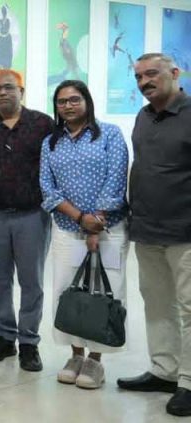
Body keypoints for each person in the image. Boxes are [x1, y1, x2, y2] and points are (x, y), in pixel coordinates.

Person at [39, 80, 129, 390]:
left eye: (74, 99)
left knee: (104, 291)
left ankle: (95, 360)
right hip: (67, 229)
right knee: (69, 290)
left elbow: (116, 178)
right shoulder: (51, 142)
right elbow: (47, 187)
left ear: (87, 101)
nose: (68, 106)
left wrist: (97, 221)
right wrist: (80, 218)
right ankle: (76, 355)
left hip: (109, 230)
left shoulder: (110, 135)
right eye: (62, 101)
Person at [116, 53, 191, 417]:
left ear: (175, 73)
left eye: (152, 74)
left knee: (189, 307)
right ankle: (165, 370)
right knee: (157, 303)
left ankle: (189, 381)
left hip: (185, 231)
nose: (144, 81)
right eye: (138, 77)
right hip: (147, 228)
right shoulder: (144, 116)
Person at [0, 69, 54, 372]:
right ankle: (4, 336)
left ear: (21, 91)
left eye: (8, 87)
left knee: (32, 280)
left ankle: (29, 341)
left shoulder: (43, 125)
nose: (2, 93)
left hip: (32, 215)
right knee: (0, 279)